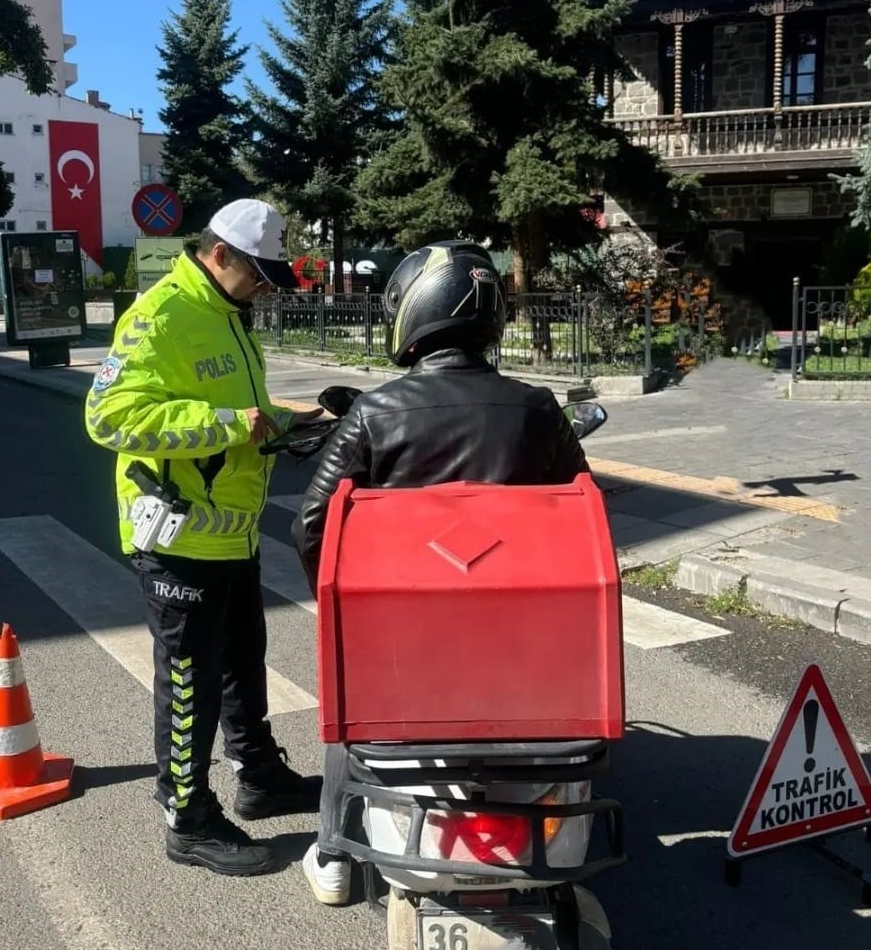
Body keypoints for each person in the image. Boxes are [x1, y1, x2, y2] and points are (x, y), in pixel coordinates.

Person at [290, 239, 589, 905]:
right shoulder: (538, 409)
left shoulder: (375, 414)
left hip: (409, 648)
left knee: (355, 718)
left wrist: (347, 607)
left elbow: (312, 526)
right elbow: (586, 523)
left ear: (413, 313)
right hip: (521, 646)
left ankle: (336, 853)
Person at [84, 198, 323, 877]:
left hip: (232, 535)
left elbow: (244, 414)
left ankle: (260, 778)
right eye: (260, 273)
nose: (268, 287)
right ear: (220, 254)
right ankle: (186, 818)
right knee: (190, 681)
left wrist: (297, 420)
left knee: (244, 662)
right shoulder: (160, 316)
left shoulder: (228, 313)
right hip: (178, 536)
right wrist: (226, 423)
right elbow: (107, 417)